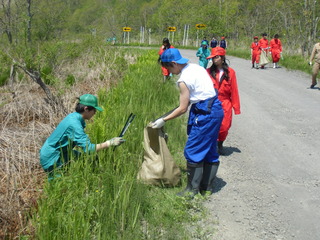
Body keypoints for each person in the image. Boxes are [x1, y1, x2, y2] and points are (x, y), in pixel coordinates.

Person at [152, 48, 224, 198]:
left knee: (193, 150)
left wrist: (163, 120)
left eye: (168, 69)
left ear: (174, 63)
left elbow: (183, 108)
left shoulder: (183, 80)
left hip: (205, 114)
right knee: (210, 148)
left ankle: (192, 190)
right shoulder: (197, 67)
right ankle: (207, 187)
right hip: (216, 109)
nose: (170, 73)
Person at [40, 94, 125, 179]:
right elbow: (89, 149)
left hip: (61, 151)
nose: (95, 112)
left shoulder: (74, 117)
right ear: (86, 109)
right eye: (94, 110)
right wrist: (109, 143)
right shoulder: (74, 124)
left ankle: (96, 176)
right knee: (59, 183)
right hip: (52, 156)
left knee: (85, 159)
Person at [206, 47, 241, 155]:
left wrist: (236, 107)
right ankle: (212, 146)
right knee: (211, 125)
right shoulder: (208, 72)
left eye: (216, 57)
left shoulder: (231, 73)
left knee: (225, 126)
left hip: (225, 102)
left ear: (222, 57)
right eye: (212, 58)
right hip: (212, 102)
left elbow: (234, 90)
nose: (214, 60)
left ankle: (220, 144)